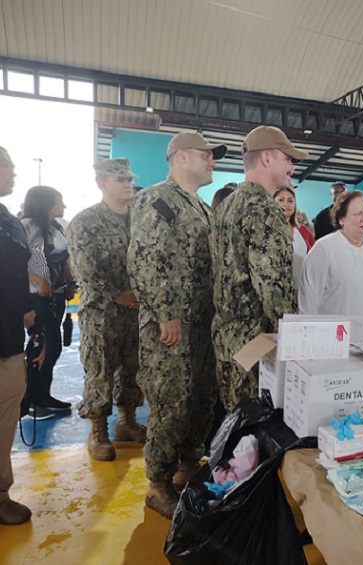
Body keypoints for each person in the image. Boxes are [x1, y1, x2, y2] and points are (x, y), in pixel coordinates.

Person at [128, 131, 226, 518]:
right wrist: (165, 312)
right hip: (173, 325)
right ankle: (158, 484)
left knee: (199, 399)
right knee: (171, 403)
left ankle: (188, 466)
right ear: (182, 157)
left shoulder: (200, 207)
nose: (212, 161)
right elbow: (146, 259)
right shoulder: (158, 199)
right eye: (207, 155)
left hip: (202, 325)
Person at [212, 126, 305, 413]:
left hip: (227, 336)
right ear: (266, 158)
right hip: (257, 343)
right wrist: (297, 336)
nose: (291, 167)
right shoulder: (264, 209)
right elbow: (272, 288)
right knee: (256, 432)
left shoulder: (228, 205)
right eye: (287, 158)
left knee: (235, 426)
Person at [67, 158, 146, 462]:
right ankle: (98, 430)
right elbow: (83, 269)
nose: (129, 184)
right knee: (100, 369)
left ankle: (127, 422)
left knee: (133, 368)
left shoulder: (139, 219)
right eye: (120, 180)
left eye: (129, 179)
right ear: (101, 183)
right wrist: (117, 295)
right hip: (102, 312)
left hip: (136, 310)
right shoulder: (86, 221)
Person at [299, 190, 363, 349]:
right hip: (336, 346)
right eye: (358, 213)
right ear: (341, 218)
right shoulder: (324, 249)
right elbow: (307, 301)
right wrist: (313, 345)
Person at [0, 146, 35, 525]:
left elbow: (15, 277)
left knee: (4, 423)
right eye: (7, 166)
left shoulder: (9, 221)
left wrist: (29, 316)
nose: (13, 173)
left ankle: (0, 495)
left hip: (9, 342)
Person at [21, 185, 75, 419]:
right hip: (37, 295)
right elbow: (13, 262)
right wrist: (36, 279)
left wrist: (70, 282)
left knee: (53, 347)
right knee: (43, 345)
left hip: (57, 294)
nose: (63, 206)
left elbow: (64, 259)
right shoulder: (27, 227)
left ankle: (44, 393)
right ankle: (32, 399)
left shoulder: (57, 227)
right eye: (58, 201)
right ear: (45, 203)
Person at [274, 186, 315, 293]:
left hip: (302, 291)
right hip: (278, 293)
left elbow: (315, 259)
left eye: (290, 201)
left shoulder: (304, 231)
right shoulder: (267, 231)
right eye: (281, 200)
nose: (286, 204)